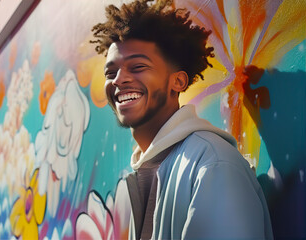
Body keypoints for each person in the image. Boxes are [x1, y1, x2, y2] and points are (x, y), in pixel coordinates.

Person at [91, 0, 273, 239]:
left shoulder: (212, 164)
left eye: (137, 66)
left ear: (178, 82)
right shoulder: (146, 171)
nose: (118, 80)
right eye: (110, 73)